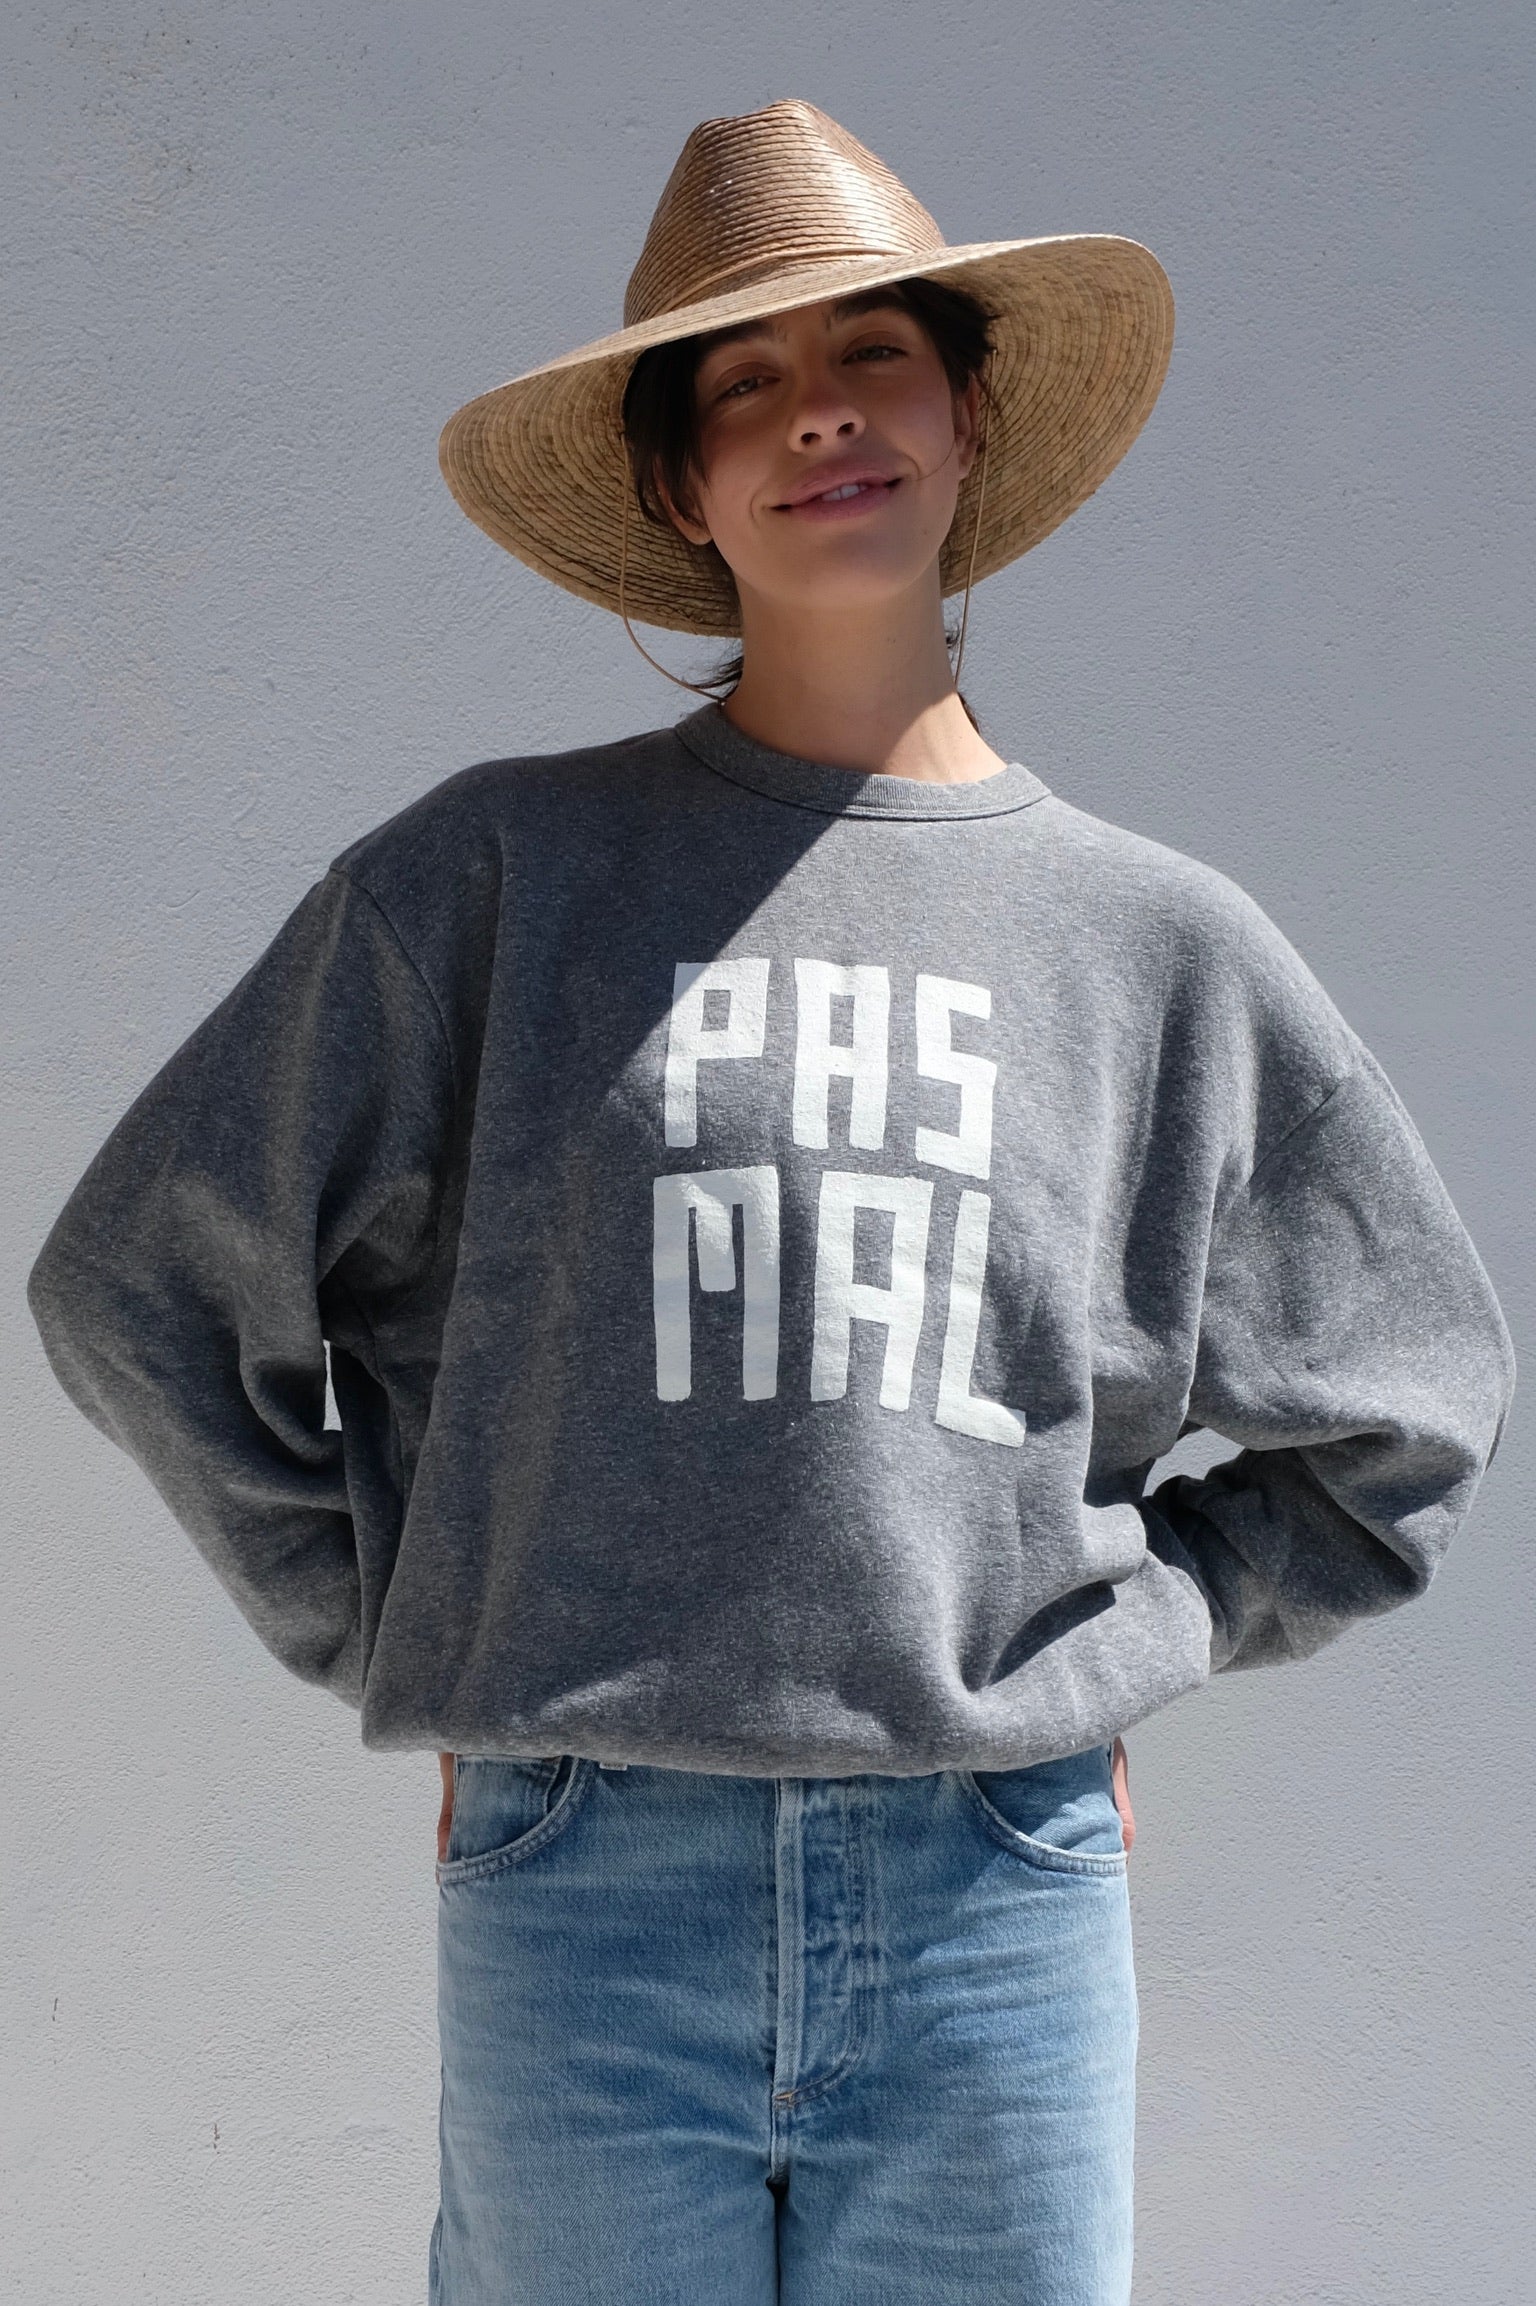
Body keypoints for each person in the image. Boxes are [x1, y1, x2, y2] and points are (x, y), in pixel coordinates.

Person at [27, 99, 1515, 2306]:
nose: (819, 409)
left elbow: (1409, 1405)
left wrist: (1141, 1634)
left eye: (874, 351)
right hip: (587, 1885)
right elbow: (139, 1279)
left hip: (995, 1894)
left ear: (970, 413)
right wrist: (415, 1623)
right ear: (676, 481)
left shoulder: (1155, 946)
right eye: (745, 378)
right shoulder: (499, 881)